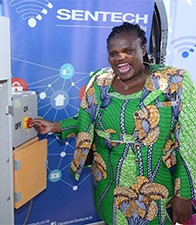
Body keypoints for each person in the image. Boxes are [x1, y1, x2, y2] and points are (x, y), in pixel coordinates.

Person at [33, 22, 196, 225]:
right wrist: (55, 126)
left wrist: (185, 194)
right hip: (108, 180)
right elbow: (88, 121)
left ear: (142, 49)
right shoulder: (99, 81)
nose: (120, 58)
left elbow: (190, 139)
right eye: (114, 53)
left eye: (128, 51)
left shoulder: (174, 81)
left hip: (153, 182)